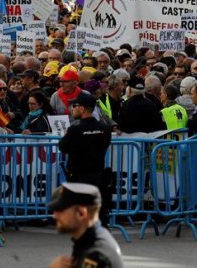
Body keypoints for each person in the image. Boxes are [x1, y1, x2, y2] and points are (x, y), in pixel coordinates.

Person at [58, 92, 112, 226]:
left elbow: (63, 147)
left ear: (82, 109)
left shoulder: (75, 130)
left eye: (75, 105)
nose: (72, 108)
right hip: (98, 174)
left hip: (79, 175)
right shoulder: (104, 129)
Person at [47, 183, 123, 268]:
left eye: (61, 210)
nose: (55, 216)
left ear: (81, 213)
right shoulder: (86, 240)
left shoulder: (97, 255)